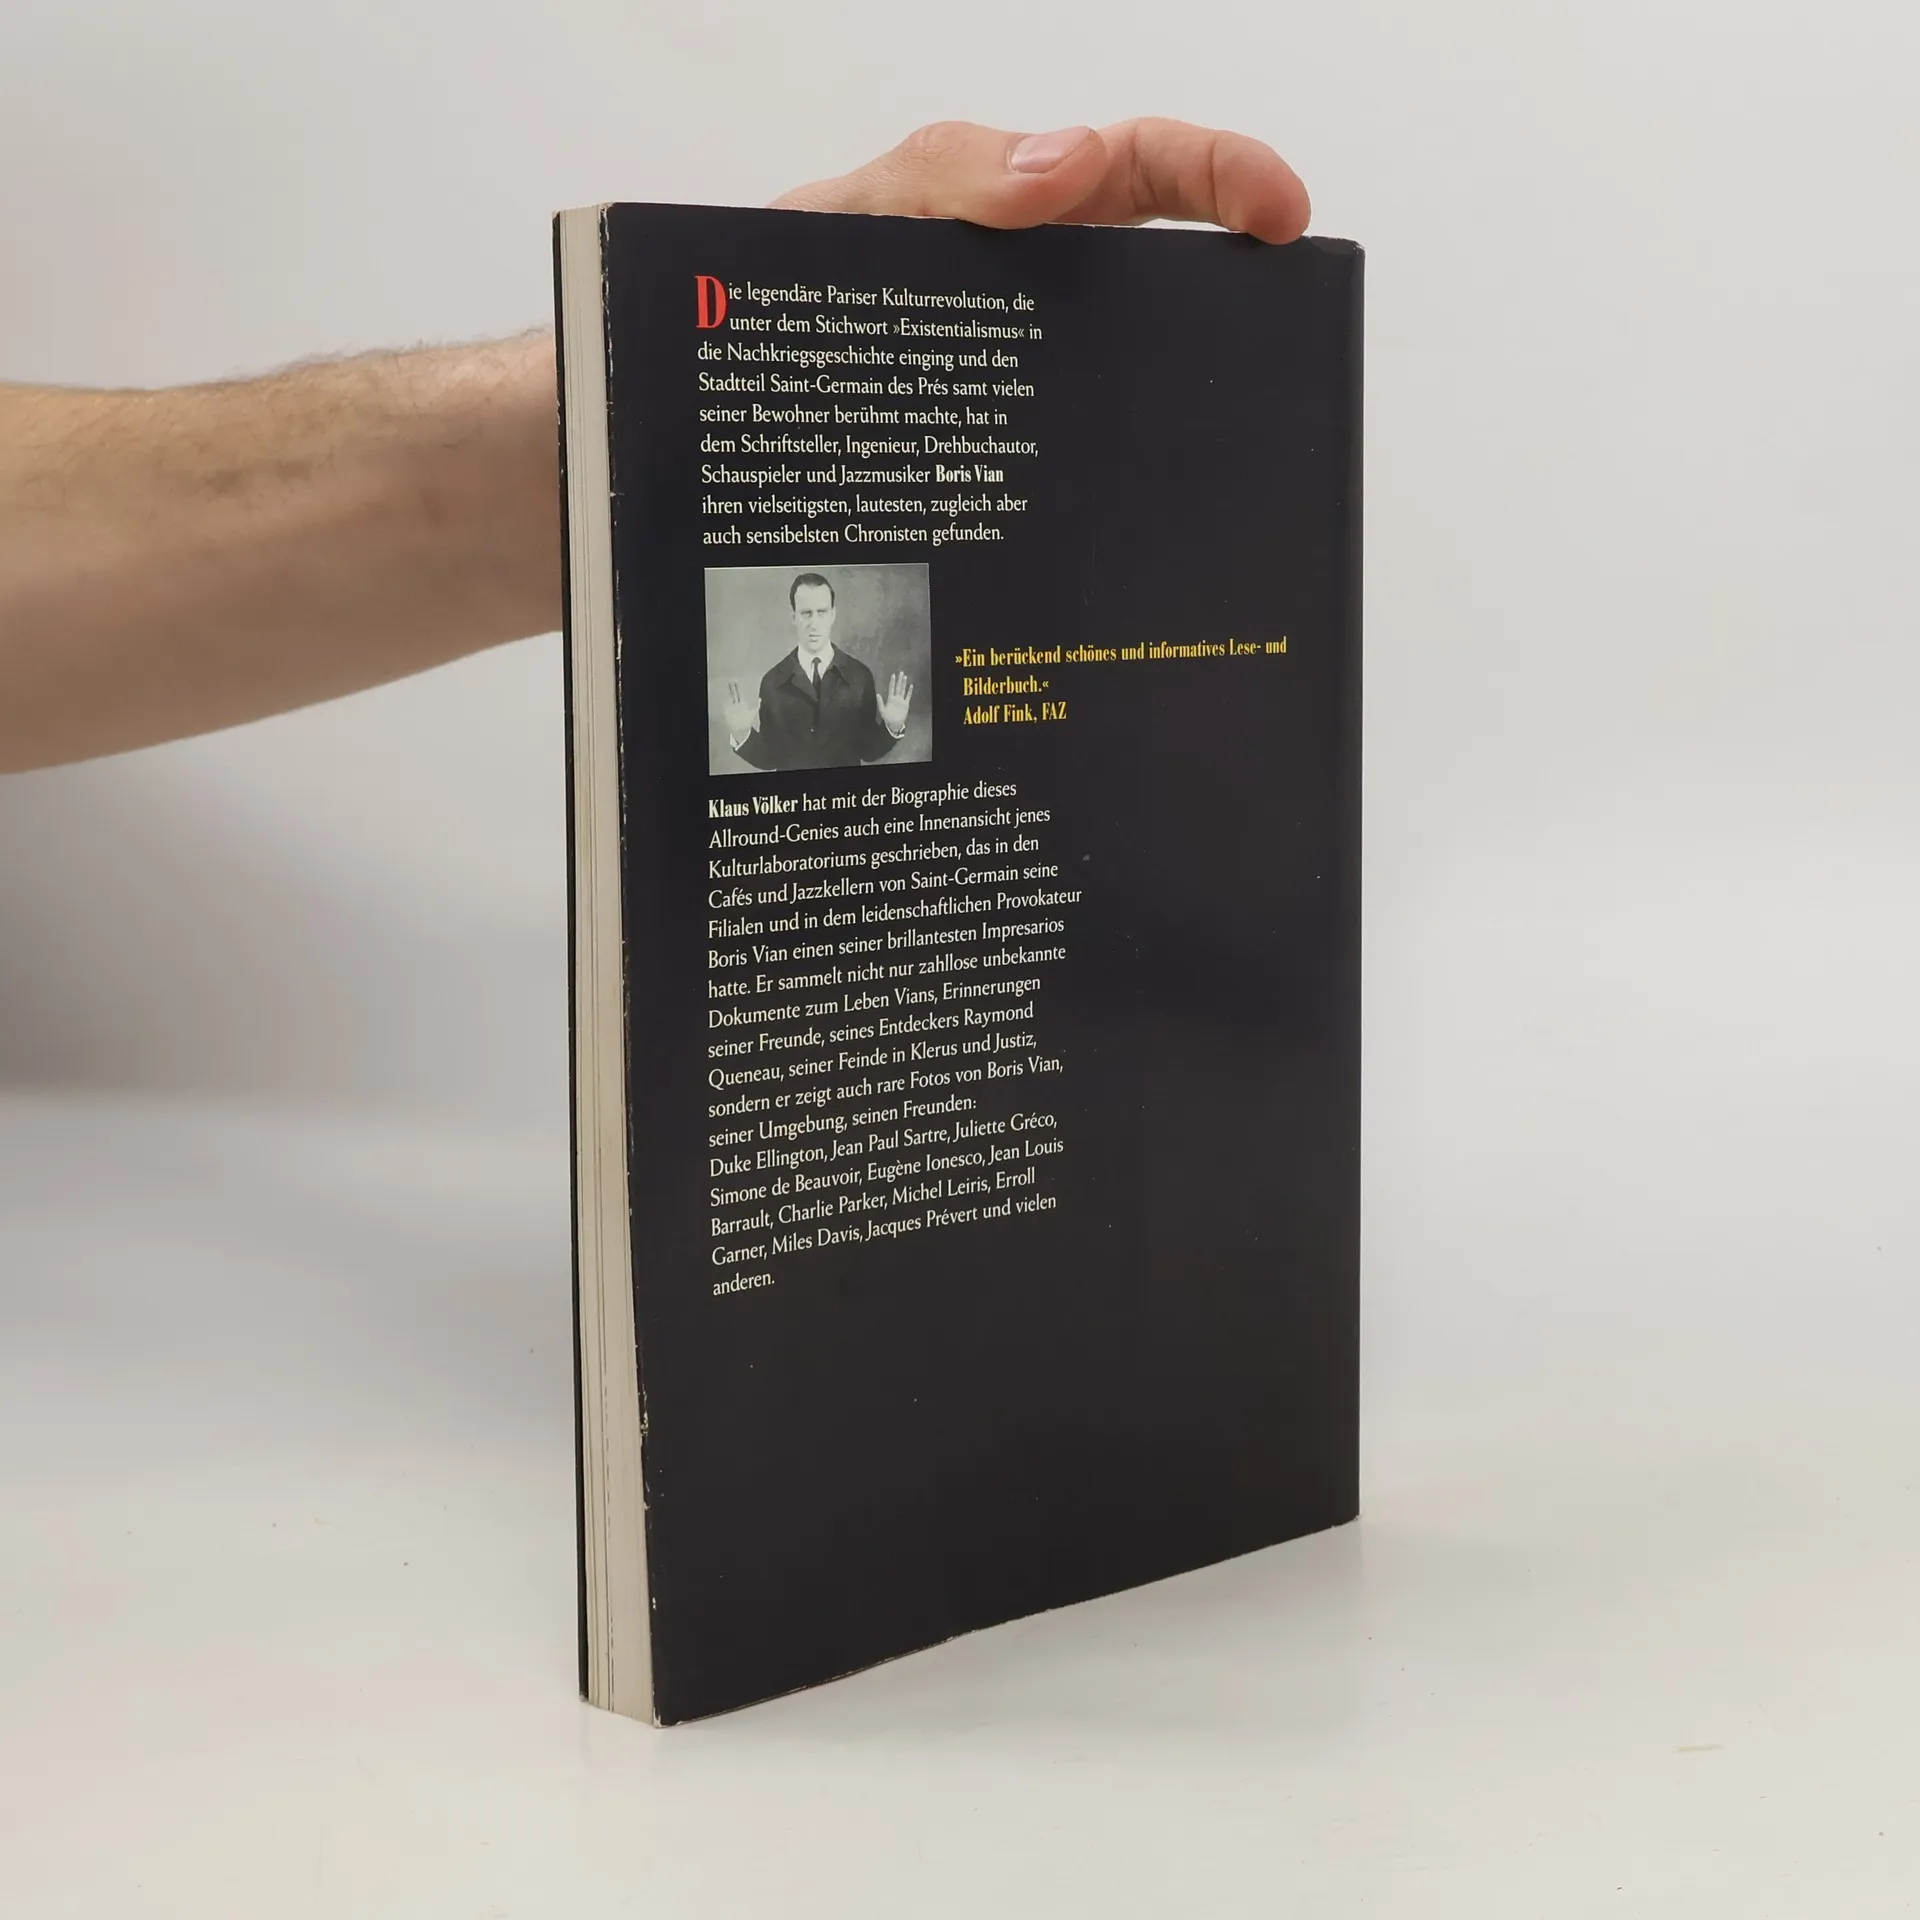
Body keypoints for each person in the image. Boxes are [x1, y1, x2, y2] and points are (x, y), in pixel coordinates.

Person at [0, 120, 1309, 775]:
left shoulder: (862, 681)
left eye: (818, 602)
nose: (814, 618)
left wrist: (683, 416)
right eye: (806, 602)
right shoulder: (785, 689)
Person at [724, 572, 913, 771]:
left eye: (821, 612)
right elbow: (769, 758)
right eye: (806, 613)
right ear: (794, 617)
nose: (814, 624)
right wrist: (742, 734)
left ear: (832, 615)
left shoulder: (860, 676)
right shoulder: (772, 681)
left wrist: (892, 727)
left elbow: (868, 751)